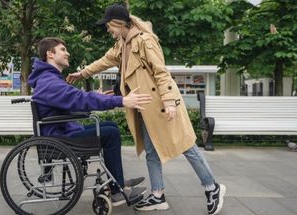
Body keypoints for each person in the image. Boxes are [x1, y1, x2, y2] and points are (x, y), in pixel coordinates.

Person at [66, 3, 226, 215]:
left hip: (162, 104)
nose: (107, 30)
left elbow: (161, 72)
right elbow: (105, 61)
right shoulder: (122, 43)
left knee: (187, 145)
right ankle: (158, 195)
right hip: (144, 106)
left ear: (119, 23)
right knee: (152, 151)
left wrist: (169, 102)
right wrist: (83, 73)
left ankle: (212, 188)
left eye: (108, 26)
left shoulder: (144, 41)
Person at [28, 37, 152, 206]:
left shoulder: (48, 79)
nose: (67, 53)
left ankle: (117, 180)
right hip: (61, 138)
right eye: (63, 49)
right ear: (50, 54)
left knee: (110, 126)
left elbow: (72, 103)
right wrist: (120, 101)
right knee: (111, 132)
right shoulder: (49, 82)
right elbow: (79, 98)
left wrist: (98, 98)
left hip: (62, 132)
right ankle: (117, 190)